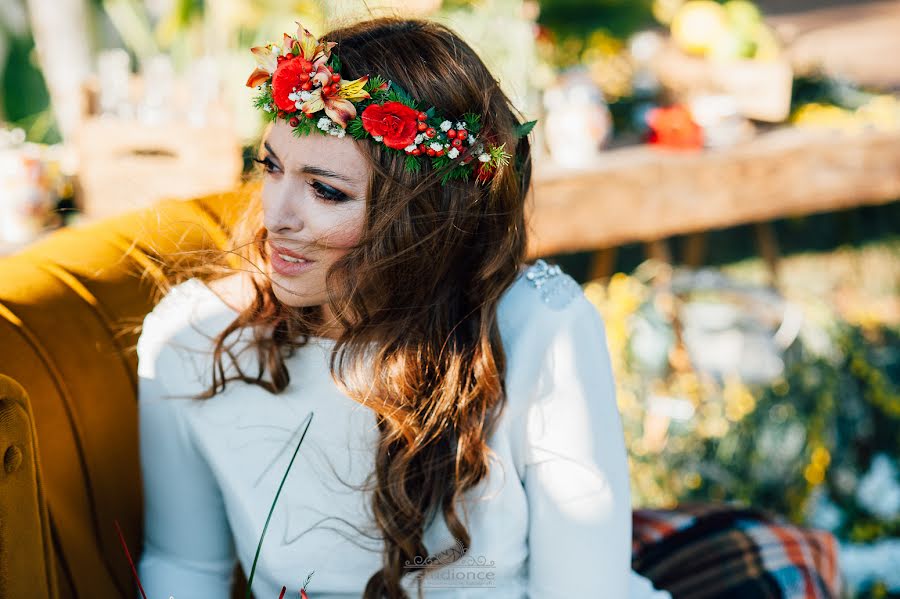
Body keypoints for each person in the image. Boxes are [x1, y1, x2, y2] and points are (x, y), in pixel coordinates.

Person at [136, 15, 673, 599]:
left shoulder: (540, 326)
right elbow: (183, 567)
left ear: (426, 217)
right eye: (271, 166)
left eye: (326, 190)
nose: (276, 216)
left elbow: (582, 590)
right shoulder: (191, 337)